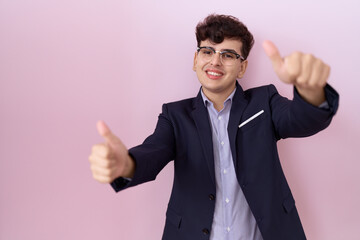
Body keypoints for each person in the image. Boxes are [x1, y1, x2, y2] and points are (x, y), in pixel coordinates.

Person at [88, 14, 339, 240]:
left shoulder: (265, 102)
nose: (215, 62)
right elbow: (152, 153)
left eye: (228, 55)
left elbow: (301, 119)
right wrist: (125, 165)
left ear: (242, 67)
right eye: (208, 51)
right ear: (196, 59)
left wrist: (310, 90)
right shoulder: (175, 115)